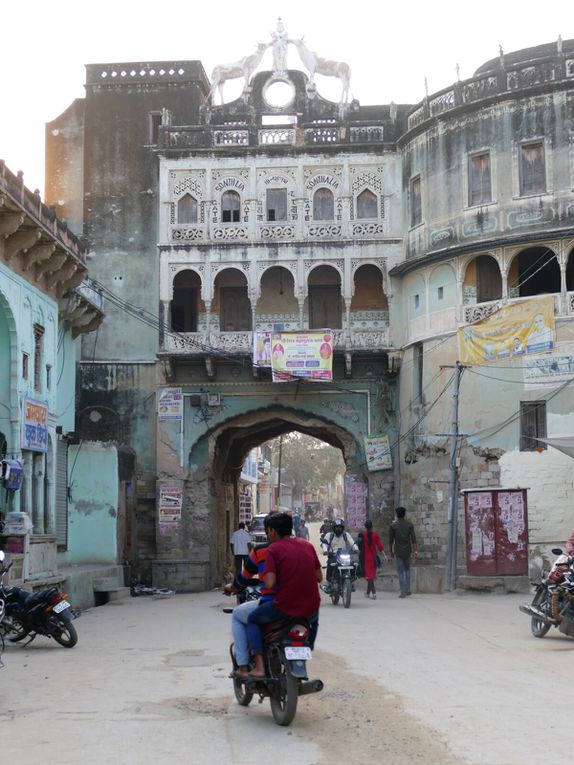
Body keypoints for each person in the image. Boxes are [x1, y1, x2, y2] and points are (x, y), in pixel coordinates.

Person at [246, 512, 322, 679]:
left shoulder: (273, 549)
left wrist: (263, 575)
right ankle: (307, 648)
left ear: (273, 532)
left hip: (285, 606)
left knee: (252, 619)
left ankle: (259, 667)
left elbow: (270, 583)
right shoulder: (307, 546)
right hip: (311, 606)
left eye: (268, 531)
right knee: (313, 620)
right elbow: (319, 577)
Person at [224, 515, 277, 680]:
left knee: (242, 615)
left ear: (270, 531)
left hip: (274, 604)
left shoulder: (262, 551)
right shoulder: (302, 548)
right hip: (300, 604)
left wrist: (232, 587)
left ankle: (244, 666)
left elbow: (244, 578)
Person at [389, 506, 418, 598]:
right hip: (407, 551)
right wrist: (415, 551)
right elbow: (414, 540)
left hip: (398, 551)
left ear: (397, 515)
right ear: (404, 514)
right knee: (407, 570)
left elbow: (390, 541)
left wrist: (391, 552)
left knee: (400, 572)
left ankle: (403, 592)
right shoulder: (409, 525)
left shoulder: (393, 526)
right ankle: (408, 589)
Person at [321, 518, 358, 589]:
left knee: (352, 564)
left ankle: (351, 581)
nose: (339, 529)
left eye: (340, 527)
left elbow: (352, 543)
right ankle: (329, 583)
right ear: (334, 528)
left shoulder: (346, 535)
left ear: (342, 528)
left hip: (344, 555)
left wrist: (356, 549)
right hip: (333, 555)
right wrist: (325, 550)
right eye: (337, 527)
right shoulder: (329, 535)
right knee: (330, 564)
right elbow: (324, 544)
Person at [359, 520, 385, 599]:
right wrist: (384, 555)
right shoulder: (375, 535)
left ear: (365, 527)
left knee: (369, 577)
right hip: (374, 558)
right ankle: (368, 593)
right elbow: (380, 546)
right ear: (372, 527)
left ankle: (374, 593)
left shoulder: (363, 535)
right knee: (371, 576)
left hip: (366, 558)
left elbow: (360, 546)